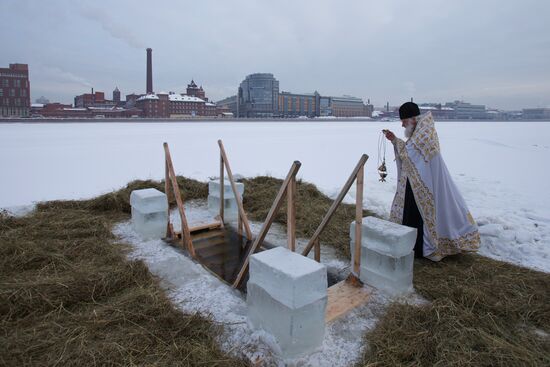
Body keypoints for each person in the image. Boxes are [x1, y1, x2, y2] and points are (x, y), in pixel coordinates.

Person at [384, 102, 480, 261]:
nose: (402, 124)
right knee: (411, 214)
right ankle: (411, 244)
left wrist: (396, 141)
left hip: (425, 184)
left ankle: (422, 247)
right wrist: (395, 140)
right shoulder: (419, 130)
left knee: (420, 216)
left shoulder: (425, 133)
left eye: (404, 121)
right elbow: (410, 151)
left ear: (412, 119)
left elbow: (410, 153)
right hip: (416, 182)